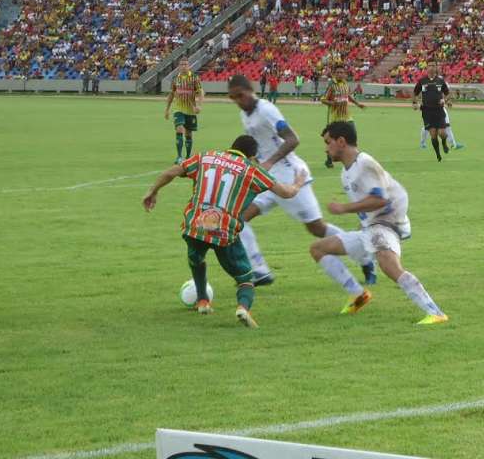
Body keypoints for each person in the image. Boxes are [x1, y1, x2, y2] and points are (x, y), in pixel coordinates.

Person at [141, 135, 307, 328]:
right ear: (252, 156)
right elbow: (286, 193)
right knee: (245, 277)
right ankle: (243, 308)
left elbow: (171, 172)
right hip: (223, 230)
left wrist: (152, 191)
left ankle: (202, 301)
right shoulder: (252, 170)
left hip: (195, 225)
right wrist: (298, 183)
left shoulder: (206, 157)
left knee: (196, 258)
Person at [226, 75, 377, 286]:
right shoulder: (246, 115)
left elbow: (292, 138)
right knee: (237, 219)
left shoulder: (266, 110)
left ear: (250, 90)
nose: (238, 101)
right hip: (267, 181)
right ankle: (260, 270)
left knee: (316, 228)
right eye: (233, 98)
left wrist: (269, 162)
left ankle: (365, 256)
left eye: (240, 95)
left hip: (291, 177)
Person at [310, 121, 449, 325]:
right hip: (372, 227)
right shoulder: (346, 172)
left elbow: (380, 199)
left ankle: (435, 312)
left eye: (328, 142)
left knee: (389, 264)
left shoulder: (364, 164)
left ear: (341, 142)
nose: (325, 148)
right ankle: (358, 295)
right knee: (318, 249)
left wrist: (344, 208)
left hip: (387, 223)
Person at [321, 68, 366, 168]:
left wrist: (358, 104)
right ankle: (329, 160)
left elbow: (348, 96)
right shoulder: (332, 86)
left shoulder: (345, 84)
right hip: (335, 118)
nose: (340, 74)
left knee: (353, 136)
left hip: (347, 117)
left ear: (345, 74)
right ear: (334, 74)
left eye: (341, 72)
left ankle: (355, 159)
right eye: (337, 72)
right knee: (332, 141)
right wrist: (333, 103)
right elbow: (323, 99)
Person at [164, 57, 203, 164]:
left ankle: (187, 156)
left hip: (190, 110)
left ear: (189, 65)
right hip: (178, 109)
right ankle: (179, 156)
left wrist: (199, 105)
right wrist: (167, 109)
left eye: (185, 64)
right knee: (179, 129)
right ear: (179, 66)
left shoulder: (194, 78)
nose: (184, 66)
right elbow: (171, 94)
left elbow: (200, 92)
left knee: (188, 134)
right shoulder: (175, 79)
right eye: (181, 64)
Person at [413, 66, 450, 161]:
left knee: (442, 133)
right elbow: (415, 93)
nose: (431, 69)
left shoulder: (440, 81)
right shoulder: (422, 81)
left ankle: (444, 143)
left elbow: (447, 93)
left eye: (433, 67)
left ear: (435, 70)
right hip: (427, 111)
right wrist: (414, 103)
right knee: (433, 134)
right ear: (427, 70)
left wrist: (445, 100)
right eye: (429, 67)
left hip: (439, 110)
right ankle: (438, 155)